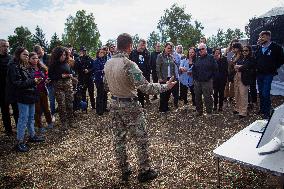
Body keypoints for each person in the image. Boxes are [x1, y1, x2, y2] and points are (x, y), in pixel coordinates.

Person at [104, 33, 177, 182]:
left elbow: (105, 86)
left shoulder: (108, 63)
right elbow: (146, 87)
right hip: (130, 106)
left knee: (119, 140)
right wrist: (165, 86)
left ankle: (124, 170)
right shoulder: (128, 64)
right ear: (130, 46)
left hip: (114, 104)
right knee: (141, 139)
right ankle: (144, 171)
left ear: (118, 45)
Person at [6, 47, 45, 152]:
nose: (27, 57)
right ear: (18, 55)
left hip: (31, 95)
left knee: (31, 117)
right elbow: (17, 83)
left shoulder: (27, 66)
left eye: (28, 55)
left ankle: (32, 136)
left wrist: (35, 80)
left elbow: (30, 79)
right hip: (22, 97)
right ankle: (20, 142)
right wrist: (33, 81)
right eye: (25, 55)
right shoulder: (14, 67)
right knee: (23, 119)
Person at [255, 31, 284, 119]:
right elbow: (256, 59)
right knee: (260, 92)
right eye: (260, 37)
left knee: (265, 93)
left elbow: (282, 59)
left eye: (262, 37)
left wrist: (274, 67)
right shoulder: (259, 48)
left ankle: (267, 112)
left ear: (268, 37)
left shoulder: (276, 47)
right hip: (259, 74)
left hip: (268, 74)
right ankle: (263, 108)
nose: (260, 39)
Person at [48, 47, 74, 128]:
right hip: (59, 87)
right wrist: (60, 76)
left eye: (64, 55)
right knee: (62, 105)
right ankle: (64, 123)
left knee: (69, 104)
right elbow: (50, 76)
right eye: (62, 55)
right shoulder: (53, 64)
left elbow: (70, 71)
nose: (64, 56)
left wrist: (70, 74)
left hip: (68, 86)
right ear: (57, 55)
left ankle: (71, 121)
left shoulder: (66, 63)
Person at [29, 52, 53, 133]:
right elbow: (29, 81)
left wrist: (46, 80)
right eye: (33, 58)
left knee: (46, 108)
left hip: (43, 90)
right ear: (29, 59)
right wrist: (35, 81)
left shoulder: (42, 68)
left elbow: (46, 76)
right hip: (34, 92)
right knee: (38, 110)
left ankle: (49, 123)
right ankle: (39, 126)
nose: (35, 60)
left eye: (36, 58)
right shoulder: (28, 69)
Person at [192, 43, 218, 116]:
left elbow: (215, 69)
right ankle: (199, 111)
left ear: (206, 49)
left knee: (208, 97)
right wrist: (195, 79)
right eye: (199, 49)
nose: (201, 50)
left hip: (207, 82)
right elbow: (194, 69)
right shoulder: (197, 58)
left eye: (202, 49)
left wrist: (211, 79)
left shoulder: (211, 58)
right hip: (197, 82)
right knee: (197, 97)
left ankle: (209, 112)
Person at [0, 39, 18, 136]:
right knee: (5, 110)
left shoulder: (12, 59)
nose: (6, 48)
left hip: (12, 89)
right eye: (3, 46)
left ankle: (19, 127)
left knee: (16, 109)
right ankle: (8, 130)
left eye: (7, 46)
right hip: (2, 90)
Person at [233, 43, 255, 118]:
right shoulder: (242, 58)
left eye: (246, 50)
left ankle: (243, 112)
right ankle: (238, 108)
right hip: (237, 77)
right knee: (237, 94)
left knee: (243, 95)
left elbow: (246, 66)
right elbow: (235, 65)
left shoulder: (251, 58)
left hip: (244, 78)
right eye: (243, 50)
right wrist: (240, 66)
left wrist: (239, 67)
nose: (244, 52)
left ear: (249, 51)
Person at [34, 45, 56, 120]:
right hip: (42, 82)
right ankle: (45, 113)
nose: (40, 55)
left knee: (52, 99)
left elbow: (53, 68)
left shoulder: (49, 57)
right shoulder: (35, 59)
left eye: (40, 53)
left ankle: (53, 114)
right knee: (46, 99)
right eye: (38, 54)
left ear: (42, 50)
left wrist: (49, 77)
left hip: (51, 80)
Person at [156, 42, 179, 112]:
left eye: (170, 48)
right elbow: (157, 68)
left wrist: (174, 77)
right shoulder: (160, 56)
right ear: (165, 48)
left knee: (168, 93)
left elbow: (173, 67)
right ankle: (162, 109)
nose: (169, 49)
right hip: (163, 78)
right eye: (168, 48)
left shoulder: (171, 56)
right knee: (163, 94)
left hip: (171, 78)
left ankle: (166, 107)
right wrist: (159, 77)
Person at [129, 39, 151, 107]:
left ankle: (142, 106)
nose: (143, 47)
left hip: (144, 75)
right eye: (141, 45)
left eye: (144, 45)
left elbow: (148, 64)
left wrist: (147, 75)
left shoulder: (147, 53)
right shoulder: (132, 53)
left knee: (143, 90)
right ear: (138, 44)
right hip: (135, 75)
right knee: (136, 91)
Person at [93, 48, 108, 115]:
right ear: (98, 53)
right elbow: (96, 71)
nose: (102, 53)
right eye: (100, 52)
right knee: (100, 95)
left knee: (105, 94)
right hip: (99, 80)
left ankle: (104, 108)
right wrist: (103, 71)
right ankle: (99, 110)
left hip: (104, 80)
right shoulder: (96, 61)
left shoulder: (104, 60)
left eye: (103, 52)